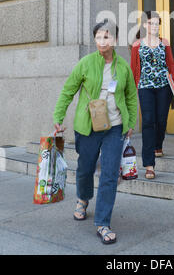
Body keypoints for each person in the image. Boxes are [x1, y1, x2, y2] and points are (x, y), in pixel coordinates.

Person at [53, 19, 137, 244]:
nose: (102, 41)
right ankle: (83, 198)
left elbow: (130, 95)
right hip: (88, 126)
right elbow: (68, 91)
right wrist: (58, 118)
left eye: (106, 37)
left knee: (109, 174)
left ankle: (102, 223)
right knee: (85, 168)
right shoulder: (85, 63)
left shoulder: (124, 67)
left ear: (115, 40)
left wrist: (130, 123)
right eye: (98, 37)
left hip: (115, 127)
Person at [130, 11, 174, 179]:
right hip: (145, 87)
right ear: (145, 25)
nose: (154, 26)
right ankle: (149, 165)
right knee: (148, 122)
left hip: (164, 86)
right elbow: (133, 68)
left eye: (157, 23)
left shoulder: (164, 42)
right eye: (151, 23)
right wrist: (131, 89)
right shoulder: (137, 44)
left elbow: (171, 64)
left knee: (161, 120)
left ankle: (158, 145)